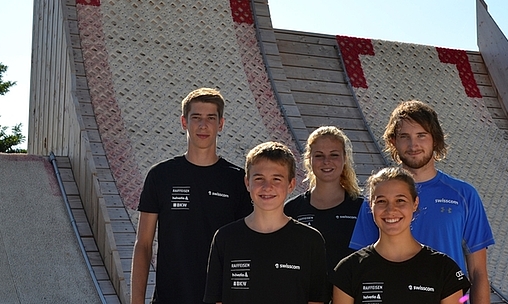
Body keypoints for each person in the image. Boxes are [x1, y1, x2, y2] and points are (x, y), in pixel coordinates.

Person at [349, 100, 494, 304]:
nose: (413, 145)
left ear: (435, 139)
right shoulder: (376, 199)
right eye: (404, 137)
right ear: (393, 142)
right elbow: (361, 268)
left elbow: (478, 272)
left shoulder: (464, 195)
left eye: (421, 135)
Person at [130, 88, 253, 304]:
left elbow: (245, 248)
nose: (203, 125)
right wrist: (136, 301)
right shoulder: (161, 175)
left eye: (210, 118)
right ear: (184, 122)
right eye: (196, 118)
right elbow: (143, 244)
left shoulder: (237, 180)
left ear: (221, 124)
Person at [204, 141, 327, 304]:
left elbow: (316, 300)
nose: (267, 187)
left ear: (291, 185)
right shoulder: (225, 238)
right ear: (247, 183)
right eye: (259, 178)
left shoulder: (310, 241)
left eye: (276, 179)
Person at [333, 167, 470, 304]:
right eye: (381, 201)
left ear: (415, 203)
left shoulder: (444, 269)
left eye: (400, 200)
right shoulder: (349, 269)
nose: (391, 209)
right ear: (370, 205)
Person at [285, 126, 364, 302]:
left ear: (345, 158)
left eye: (334, 155)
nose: (326, 161)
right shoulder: (291, 210)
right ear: (309, 160)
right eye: (319, 155)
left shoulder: (363, 209)